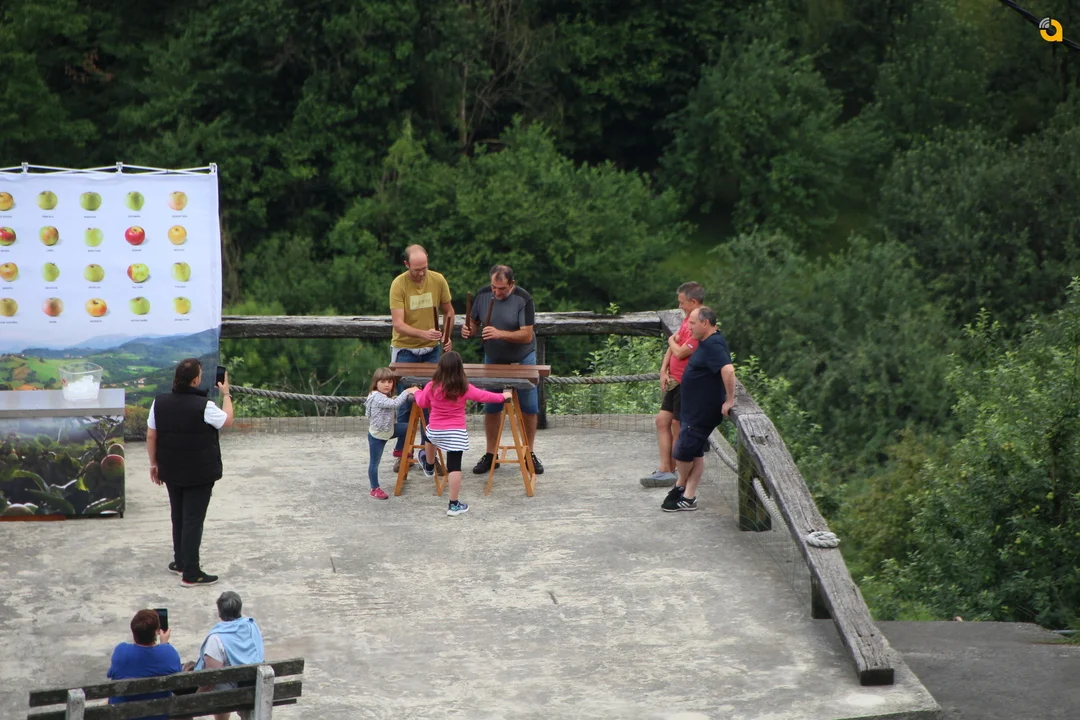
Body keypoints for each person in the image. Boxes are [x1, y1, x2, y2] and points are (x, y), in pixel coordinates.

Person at [147, 358, 234, 587]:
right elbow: (227, 421)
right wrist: (226, 394)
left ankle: (180, 562)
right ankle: (192, 573)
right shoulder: (204, 406)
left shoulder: (159, 403)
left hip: (170, 469)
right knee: (193, 520)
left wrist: (154, 464)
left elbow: (151, 435)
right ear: (195, 380)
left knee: (178, 517)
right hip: (199, 473)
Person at [461, 264, 544, 475]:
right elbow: (474, 323)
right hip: (494, 357)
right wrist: (469, 330)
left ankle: (529, 452)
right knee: (491, 406)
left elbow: (526, 335)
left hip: (523, 357)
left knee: (529, 406)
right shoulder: (482, 295)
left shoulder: (524, 299)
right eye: (494, 287)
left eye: (502, 289)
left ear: (512, 284)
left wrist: (500, 333)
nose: (497, 293)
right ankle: (491, 454)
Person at [413, 351, 511, 516]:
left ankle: (429, 464)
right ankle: (453, 504)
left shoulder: (431, 386)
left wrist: (416, 391)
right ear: (460, 369)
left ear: (440, 368)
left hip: (436, 429)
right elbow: (484, 396)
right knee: (454, 467)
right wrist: (502, 396)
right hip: (456, 432)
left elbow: (422, 402)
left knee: (429, 436)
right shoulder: (464, 387)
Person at [661, 307, 736, 512]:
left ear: (705, 323)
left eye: (693, 323)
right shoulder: (706, 342)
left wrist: (730, 400)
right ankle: (688, 496)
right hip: (693, 409)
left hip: (701, 412)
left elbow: (728, 370)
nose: (689, 327)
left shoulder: (714, 345)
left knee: (682, 451)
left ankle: (681, 485)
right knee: (695, 452)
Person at [389, 244, 454, 477]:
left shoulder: (438, 280)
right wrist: (423, 334)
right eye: (417, 270)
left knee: (432, 403)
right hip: (405, 350)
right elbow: (398, 324)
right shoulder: (398, 284)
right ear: (406, 265)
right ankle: (403, 454)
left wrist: (447, 336)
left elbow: (449, 311)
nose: (421, 273)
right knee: (406, 404)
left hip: (431, 351)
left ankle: (430, 456)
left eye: (424, 268)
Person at [641, 281, 704, 488]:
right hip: (673, 380)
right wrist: (663, 370)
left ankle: (675, 472)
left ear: (693, 302)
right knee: (662, 421)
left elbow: (681, 351)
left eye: (682, 302)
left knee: (678, 425)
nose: (680, 306)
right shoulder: (687, 320)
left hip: (687, 383)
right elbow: (673, 347)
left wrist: (670, 341)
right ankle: (664, 469)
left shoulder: (700, 324)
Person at [191, 591, 265, 720]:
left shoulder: (215, 639)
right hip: (256, 685)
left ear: (219, 613)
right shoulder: (251, 625)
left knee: (216, 682)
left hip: (234, 693)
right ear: (239, 610)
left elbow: (210, 681)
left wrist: (192, 701)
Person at [107, 609, 182, 720]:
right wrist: (165, 644)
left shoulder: (121, 651)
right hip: (157, 716)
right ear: (156, 632)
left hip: (124, 714)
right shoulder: (169, 652)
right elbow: (177, 676)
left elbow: (112, 674)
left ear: (134, 631)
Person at [365, 367, 418, 499]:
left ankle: (399, 450)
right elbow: (394, 404)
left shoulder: (382, 396)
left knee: (409, 427)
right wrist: (407, 391)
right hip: (377, 436)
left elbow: (389, 402)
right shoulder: (376, 397)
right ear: (376, 383)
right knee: (374, 463)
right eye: (383, 382)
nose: (387, 385)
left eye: (389, 382)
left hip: (389, 430)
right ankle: (374, 488)